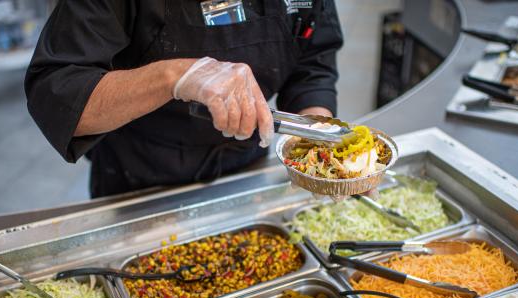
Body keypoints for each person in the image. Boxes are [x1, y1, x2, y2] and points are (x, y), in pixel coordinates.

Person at [25, 0, 343, 198]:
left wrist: (316, 131)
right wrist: (176, 77)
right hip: (140, 185)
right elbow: (57, 93)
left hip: (247, 175)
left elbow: (313, 60)